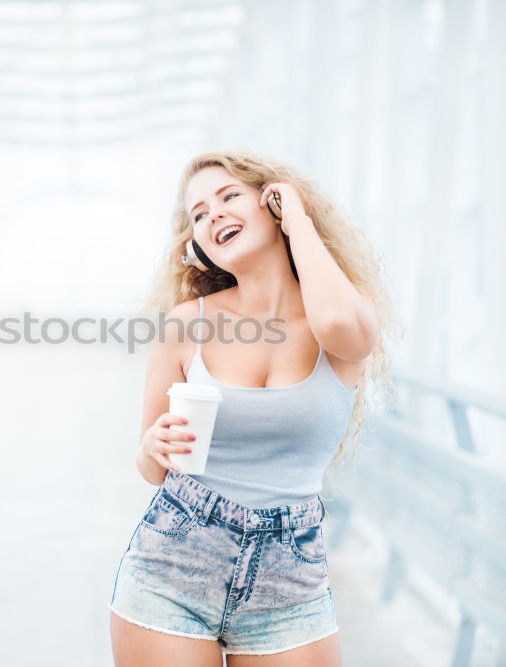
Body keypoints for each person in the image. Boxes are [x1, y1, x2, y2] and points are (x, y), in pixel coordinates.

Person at [109, 148, 400, 666]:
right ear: (197, 245)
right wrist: (153, 447)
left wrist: (300, 221)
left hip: (290, 581)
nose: (213, 213)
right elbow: (152, 466)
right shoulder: (184, 325)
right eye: (199, 213)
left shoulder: (340, 317)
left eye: (229, 196)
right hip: (173, 563)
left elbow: (340, 328)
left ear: (274, 205)